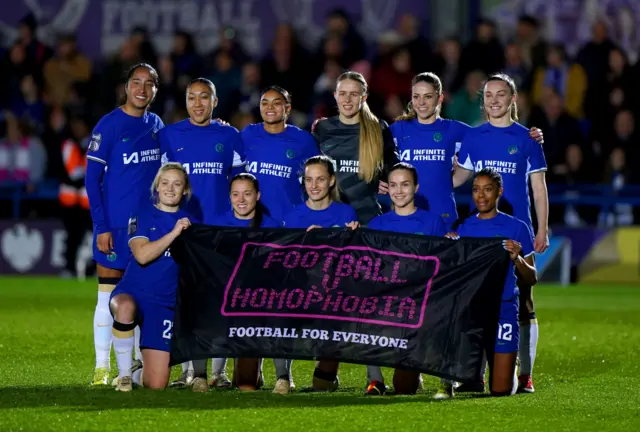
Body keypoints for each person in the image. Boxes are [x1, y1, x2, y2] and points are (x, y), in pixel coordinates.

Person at [453, 73, 548, 393]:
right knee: (480, 300)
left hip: (517, 229)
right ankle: (474, 372)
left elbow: (538, 187)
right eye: (488, 94)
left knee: (525, 302)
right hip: (482, 231)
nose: (494, 100)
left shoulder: (528, 139)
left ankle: (526, 375)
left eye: (501, 94)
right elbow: (456, 179)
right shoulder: (474, 137)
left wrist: (542, 228)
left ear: (513, 100)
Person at [159, 77, 246, 389]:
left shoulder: (230, 135)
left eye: (204, 97)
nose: (198, 104)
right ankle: (186, 371)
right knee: (185, 302)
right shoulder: (169, 136)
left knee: (220, 302)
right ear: (185, 102)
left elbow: (240, 186)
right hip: (183, 232)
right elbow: (160, 187)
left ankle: (219, 372)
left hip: (221, 232)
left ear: (215, 102)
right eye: (192, 98)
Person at [85, 63, 164, 386]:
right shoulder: (110, 125)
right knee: (107, 295)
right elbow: (92, 181)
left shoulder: (156, 125)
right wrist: (101, 226)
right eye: (136, 82)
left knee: (141, 298)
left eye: (148, 84)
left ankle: (131, 366)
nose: (141, 89)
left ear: (155, 91)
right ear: (126, 86)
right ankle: (102, 367)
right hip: (115, 229)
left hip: (146, 230)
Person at [391, 72, 545, 229]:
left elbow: (495, 134)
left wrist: (532, 135)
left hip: (444, 217)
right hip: (407, 215)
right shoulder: (398, 129)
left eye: (428, 96)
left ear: (440, 98)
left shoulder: (458, 130)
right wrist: (380, 180)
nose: (421, 102)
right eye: (416, 96)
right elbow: (374, 150)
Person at [436, 168, 537, 399]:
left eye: (488, 189)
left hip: (503, 309)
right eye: (475, 190)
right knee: (471, 381)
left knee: (501, 390)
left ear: (499, 192)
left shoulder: (517, 227)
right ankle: (475, 369)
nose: (481, 196)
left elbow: (532, 277)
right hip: (471, 311)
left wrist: (517, 258)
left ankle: (511, 362)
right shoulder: (463, 227)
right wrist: (449, 249)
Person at [187, 173, 281, 393]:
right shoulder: (216, 224)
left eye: (247, 194)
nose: (241, 200)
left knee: (246, 387)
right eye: (236, 194)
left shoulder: (273, 227)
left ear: (257, 196)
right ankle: (199, 375)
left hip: (256, 303)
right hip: (224, 298)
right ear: (229, 196)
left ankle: (281, 376)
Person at [364, 162, 448, 395]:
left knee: (404, 388)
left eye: (405, 184)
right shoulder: (377, 224)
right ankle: (375, 380)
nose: (399, 191)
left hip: (419, 306)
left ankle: (433, 375)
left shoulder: (432, 222)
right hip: (387, 303)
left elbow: (442, 266)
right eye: (393, 185)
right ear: (387, 189)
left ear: (416, 187)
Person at [110, 163, 193, 391]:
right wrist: (174, 233)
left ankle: (136, 374)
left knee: (156, 384)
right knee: (125, 308)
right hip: (133, 292)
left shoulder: (191, 223)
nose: (170, 188)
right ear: (157, 186)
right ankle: (124, 375)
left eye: (177, 184)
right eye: (165, 183)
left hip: (164, 304)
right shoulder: (142, 215)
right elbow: (142, 255)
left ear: (185, 189)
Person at [313, 71, 399, 226]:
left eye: (353, 94)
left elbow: (395, 169)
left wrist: (380, 179)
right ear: (335, 95)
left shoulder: (378, 129)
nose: (347, 99)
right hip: (329, 220)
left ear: (364, 97)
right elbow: (309, 172)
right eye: (343, 93)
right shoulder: (322, 128)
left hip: (368, 221)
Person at [242, 86, 320, 222]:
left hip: (288, 223)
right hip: (253, 223)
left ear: (288, 108)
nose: (270, 107)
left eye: (276, 103)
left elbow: (318, 180)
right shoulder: (248, 134)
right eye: (264, 103)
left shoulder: (303, 140)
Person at [283, 155, 359, 231]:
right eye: (309, 180)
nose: (314, 186)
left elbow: (353, 242)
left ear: (331, 181)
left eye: (320, 179)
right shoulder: (293, 217)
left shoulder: (347, 213)